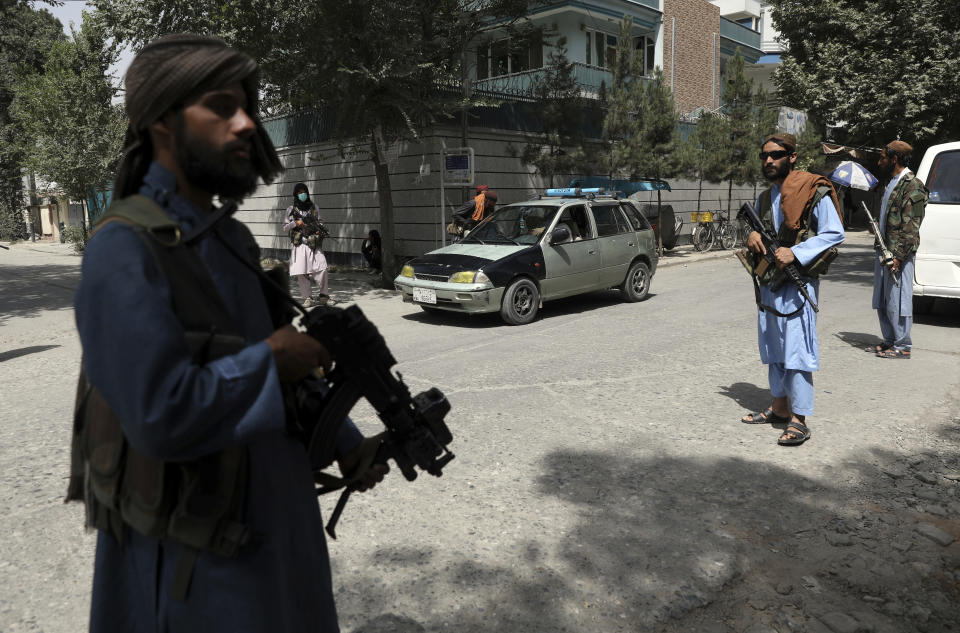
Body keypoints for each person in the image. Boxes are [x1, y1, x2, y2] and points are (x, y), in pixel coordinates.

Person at [69, 34, 387, 633]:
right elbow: (160, 414)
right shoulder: (122, 249)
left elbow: (282, 368)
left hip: (279, 536)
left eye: (248, 107)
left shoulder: (230, 239)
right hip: (201, 573)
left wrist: (343, 439)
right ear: (163, 121)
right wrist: (270, 360)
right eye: (220, 106)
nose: (245, 124)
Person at [739, 133, 845, 446]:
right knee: (773, 346)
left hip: (798, 283)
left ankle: (800, 418)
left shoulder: (815, 190)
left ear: (792, 156)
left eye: (775, 154)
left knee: (797, 349)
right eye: (764, 156)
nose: (769, 161)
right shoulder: (763, 198)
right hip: (771, 282)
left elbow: (834, 233)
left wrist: (796, 252)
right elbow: (759, 230)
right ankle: (780, 406)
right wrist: (752, 237)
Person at [868, 141, 927, 359]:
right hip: (883, 252)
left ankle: (903, 345)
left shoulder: (913, 185)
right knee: (883, 299)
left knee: (898, 300)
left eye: (883, 157)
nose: (879, 161)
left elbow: (911, 226)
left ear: (894, 159)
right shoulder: (892, 183)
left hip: (897, 255)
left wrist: (899, 257)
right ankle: (890, 341)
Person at [282, 182, 331, 307]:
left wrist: (319, 229)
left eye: (304, 191)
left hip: (314, 242)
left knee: (322, 267)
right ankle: (308, 298)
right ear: (295, 194)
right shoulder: (291, 209)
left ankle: (324, 295)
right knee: (302, 272)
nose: (302, 194)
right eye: (299, 192)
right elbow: (285, 227)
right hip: (300, 244)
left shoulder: (314, 207)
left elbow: (321, 222)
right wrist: (295, 223)